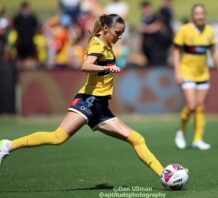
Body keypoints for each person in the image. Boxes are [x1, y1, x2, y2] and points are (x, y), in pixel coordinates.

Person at [0, 14, 164, 179]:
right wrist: (107, 68)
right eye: (117, 33)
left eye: (121, 33)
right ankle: (7, 145)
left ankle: (164, 174)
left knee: (137, 139)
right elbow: (85, 66)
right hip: (89, 99)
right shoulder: (98, 44)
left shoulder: (105, 43)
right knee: (58, 137)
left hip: (100, 106)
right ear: (106, 29)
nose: (119, 36)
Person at [173, 4, 218, 150]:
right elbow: (176, 52)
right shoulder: (184, 30)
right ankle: (181, 132)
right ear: (193, 15)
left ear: (205, 14)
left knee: (200, 107)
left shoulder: (209, 31)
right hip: (187, 73)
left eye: (202, 13)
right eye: (197, 13)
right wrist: (177, 71)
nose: (200, 16)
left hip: (203, 74)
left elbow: (213, 52)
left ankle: (198, 139)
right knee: (191, 106)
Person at [13, 1, 38, 69]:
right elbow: (14, 27)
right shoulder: (18, 17)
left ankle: (30, 72)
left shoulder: (32, 17)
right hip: (21, 41)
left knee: (31, 58)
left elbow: (36, 27)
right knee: (20, 58)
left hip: (30, 41)